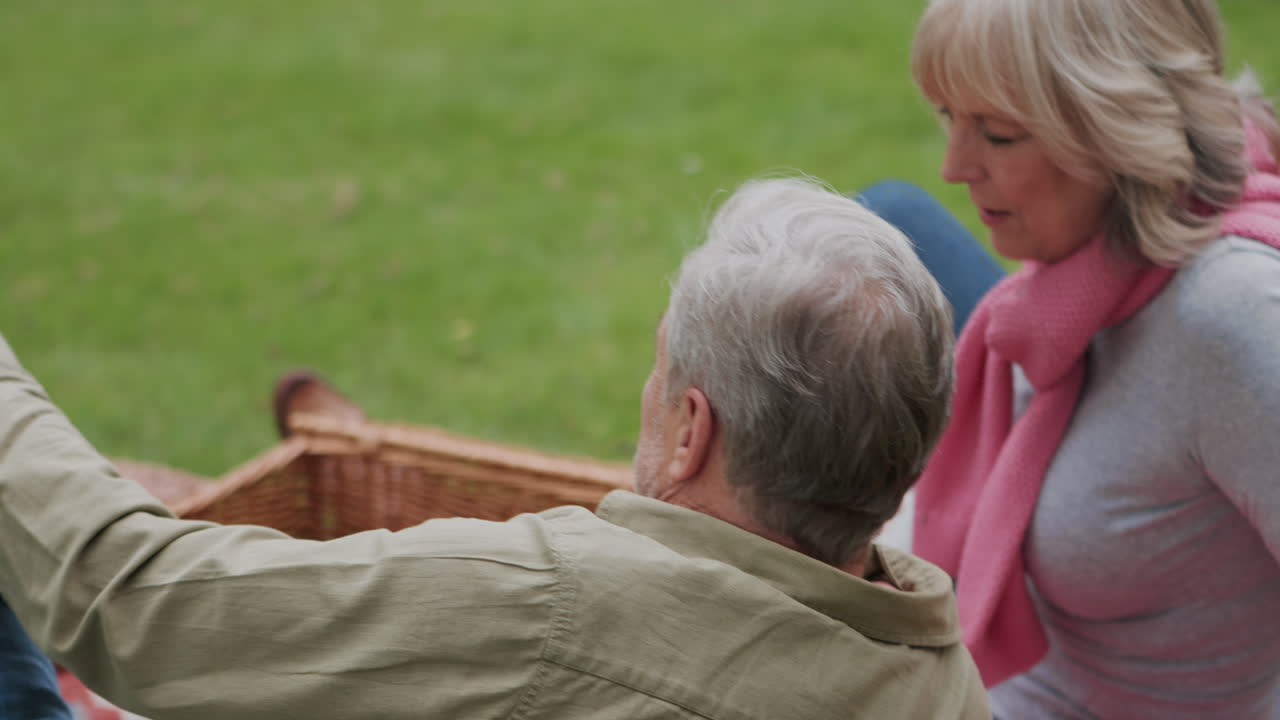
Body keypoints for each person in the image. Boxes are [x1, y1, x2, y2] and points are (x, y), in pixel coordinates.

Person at [0, 177, 988, 719]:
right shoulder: (943, 681)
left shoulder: (558, 606)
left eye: (657, 374)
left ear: (691, 431)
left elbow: (127, 605)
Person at [889, 0, 1280, 717]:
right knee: (890, 216)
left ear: (1116, 131)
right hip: (1007, 686)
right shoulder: (1090, 266)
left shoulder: (1233, 318)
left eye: (999, 135)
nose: (954, 166)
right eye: (950, 118)